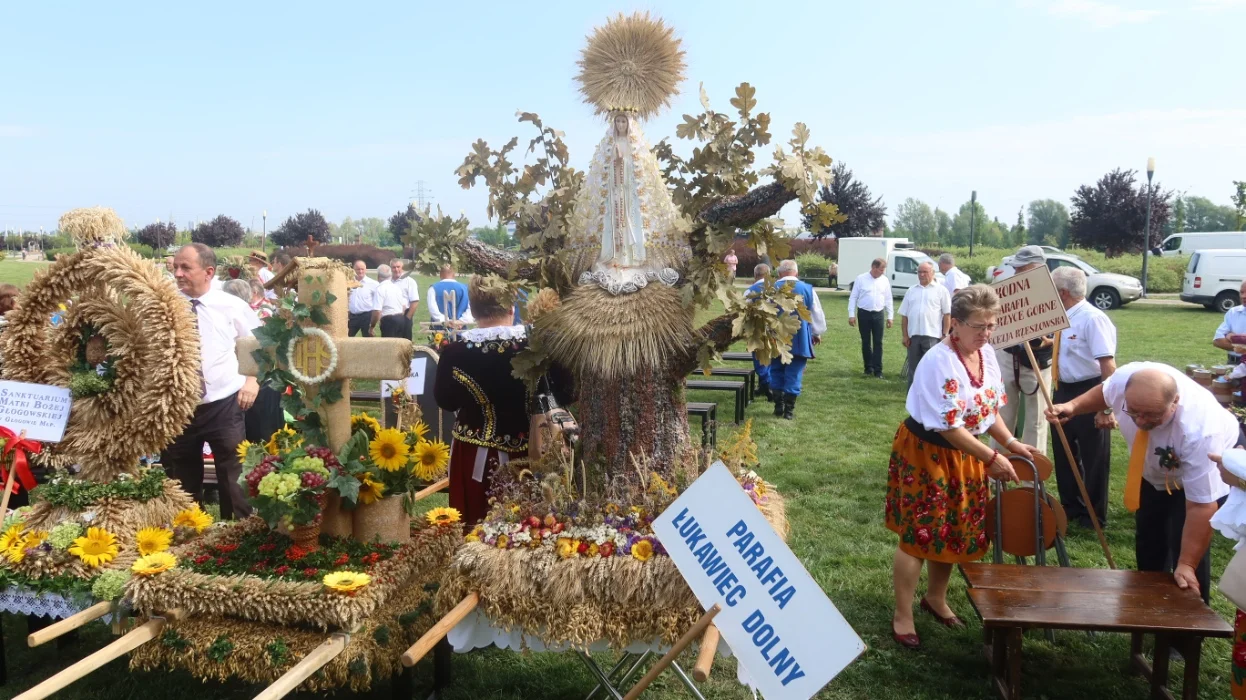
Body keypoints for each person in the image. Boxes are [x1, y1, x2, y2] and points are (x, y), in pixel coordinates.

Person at [887, 284, 1033, 649]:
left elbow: (990, 410)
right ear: (955, 323)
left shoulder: (986, 355)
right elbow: (949, 426)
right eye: (979, 326)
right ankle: (902, 614)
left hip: (966, 451)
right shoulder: (940, 360)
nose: (987, 333)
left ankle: (935, 598)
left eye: (992, 325)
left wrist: (1011, 443)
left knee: (954, 526)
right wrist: (993, 458)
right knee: (919, 533)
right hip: (928, 452)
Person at [1047, 363, 1243, 603]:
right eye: (1133, 411)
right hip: (1152, 472)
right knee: (1149, 538)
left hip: (1198, 473)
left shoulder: (1201, 431)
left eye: (1151, 415)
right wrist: (1072, 406)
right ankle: (1148, 609)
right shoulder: (1123, 381)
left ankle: (1186, 629)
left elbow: (1201, 507)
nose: (1140, 420)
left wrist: (1186, 564)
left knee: (1184, 544)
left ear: (1175, 402)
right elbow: (1105, 392)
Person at [434, 276, 573, 527]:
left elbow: (445, 400)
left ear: (473, 310)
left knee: (476, 527)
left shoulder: (454, 352)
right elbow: (567, 393)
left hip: (476, 454)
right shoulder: (538, 346)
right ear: (512, 307)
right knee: (532, 527)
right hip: (536, 449)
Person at [164, 243, 259, 520]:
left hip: (224, 403)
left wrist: (251, 381)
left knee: (234, 475)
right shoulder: (164, 304)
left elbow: (259, 346)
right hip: (178, 406)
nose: (178, 273)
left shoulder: (231, 306)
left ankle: (239, 535)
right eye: (176, 267)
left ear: (208, 272)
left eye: (185, 268)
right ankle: (190, 535)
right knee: (181, 476)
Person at [1050, 266, 1117, 529]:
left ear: (1063, 292)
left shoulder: (1092, 318)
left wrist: (1106, 407)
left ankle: (1094, 515)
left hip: (1090, 390)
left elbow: (1108, 366)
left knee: (1094, 457)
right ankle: (1071, 507)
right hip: (1062, 389)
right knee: (1064, 452)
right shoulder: (1061, 316)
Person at [990, 245, 1053, 456]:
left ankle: (1031, 480)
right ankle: (998, 473)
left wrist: (1045, 339)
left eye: (1020, 268)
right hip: (1007, 356)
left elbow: (1057, 330)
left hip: (1037, 363)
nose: (1016, 273)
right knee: (1002, 415)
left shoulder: (1052, 291)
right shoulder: (1008, 289)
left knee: (1036, 422)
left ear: (1035, 267)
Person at [769, 260, 826, 419]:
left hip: (775, 336)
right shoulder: (807, 289)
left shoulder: (770, 288)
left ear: (780, 273)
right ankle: (788, 411)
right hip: (798, 337)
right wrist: (816, 332)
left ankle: (778, 406)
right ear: (796, 272)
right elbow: (816, 314)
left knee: (776, 370)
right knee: (794, 372)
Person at [898, 261, 950, 387]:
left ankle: (930, 396)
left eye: (925, 272)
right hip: (914, 336)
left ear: (932, 273)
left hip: (932, 335)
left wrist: (945, 334)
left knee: (931, 368)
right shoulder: (911, 290)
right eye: (919, 272)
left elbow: (947, 314)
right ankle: (912, 397)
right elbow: (904, 315)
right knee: (913, 369)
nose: (921, 274)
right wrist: (905, 335)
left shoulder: (941, 290)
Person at [848, 257, 893, 378]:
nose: (882, 272)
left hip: (878, 313)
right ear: (873, 267)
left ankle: (878, 370)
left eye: (884, 270)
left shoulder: (885, 280)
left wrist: (890, 316)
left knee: (878, 342)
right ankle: (868, 367)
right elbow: (853, 297)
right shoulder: (861, 279)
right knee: (866, 342)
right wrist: (851, 315)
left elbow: (888, 298)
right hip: (864, 313)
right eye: (880, 269)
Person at [746, 263, 773, 402]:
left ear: (755, 275)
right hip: (776, 329)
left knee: (760, 359)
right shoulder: (778, 288)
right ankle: (766, 386)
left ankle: (767, 384)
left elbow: (743, 310)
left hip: (757, 330)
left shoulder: (750, 290)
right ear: (768, 274)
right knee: (773, 357)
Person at [1213, 279, 1246, 364]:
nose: (1243, 296)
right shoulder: (1233, 312)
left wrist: (1232, 338)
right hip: (1233, 364)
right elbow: (1218, 341)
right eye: (1241, 292)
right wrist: (1242, 344)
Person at [375, 264, 408, 339]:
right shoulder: (396, 287)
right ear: (390, 276)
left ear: (378, 277)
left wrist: (373, 325)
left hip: (388, 320)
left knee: (388, 346)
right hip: (400, 318)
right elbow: (404, 306)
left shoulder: (380, 289)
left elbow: (377, 311)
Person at [347, 260, 379, 337]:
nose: (360, 271)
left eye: (362, 269)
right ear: (353, 270)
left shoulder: (374, 284)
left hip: (367, 316)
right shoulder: (348, 283)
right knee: (347, 337)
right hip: (352, 316)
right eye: (358, 269)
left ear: (366, 270)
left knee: (368, 340)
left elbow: (378, 302)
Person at [390, 257, 420, 339]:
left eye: (398, 267)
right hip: (390, 315)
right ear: (391, 269)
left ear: (402, 267)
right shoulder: (388, 281)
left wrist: (407, 318)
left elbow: (415, 301)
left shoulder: (409, 281)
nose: (396, 269)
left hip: (404, 315)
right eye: (394, 267)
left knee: (405, 343)